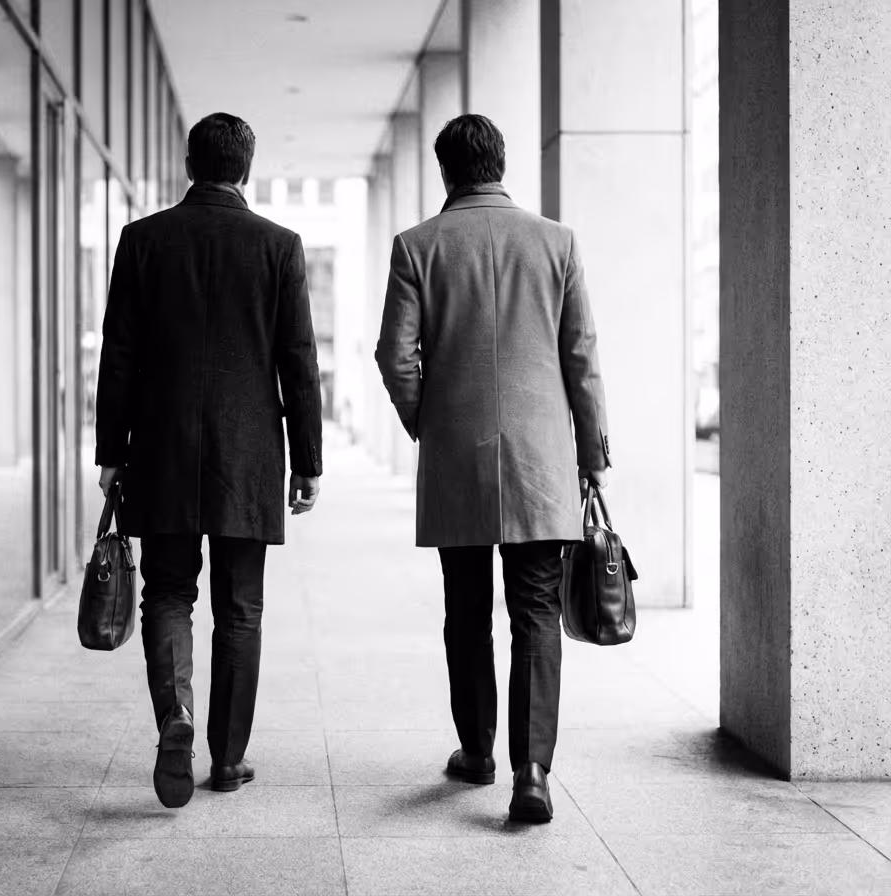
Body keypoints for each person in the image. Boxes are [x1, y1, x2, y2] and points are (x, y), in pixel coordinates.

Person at [375, 114, 610, 823]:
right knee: (535, 610)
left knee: (467, 608)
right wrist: (593, 455)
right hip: (542, 462)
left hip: (459, 459)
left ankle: (477, 749)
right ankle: (531, 771)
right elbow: (582, 359)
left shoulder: (418, 246)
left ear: (447, 171)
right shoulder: (557, 242)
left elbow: (395, 355)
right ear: (502, 165)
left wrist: (428, 423)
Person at [95, 112, 323, 809]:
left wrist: (110, 451)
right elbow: (299, 361)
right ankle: (227, 760)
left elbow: (120, 353)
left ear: (190, 161)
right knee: (240, 609)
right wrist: (307, 460)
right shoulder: (278, 245)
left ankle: (177, 719)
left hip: (160, 448)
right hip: (247, 454)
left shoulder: (143, 240)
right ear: (246, 169)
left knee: (167, 592)